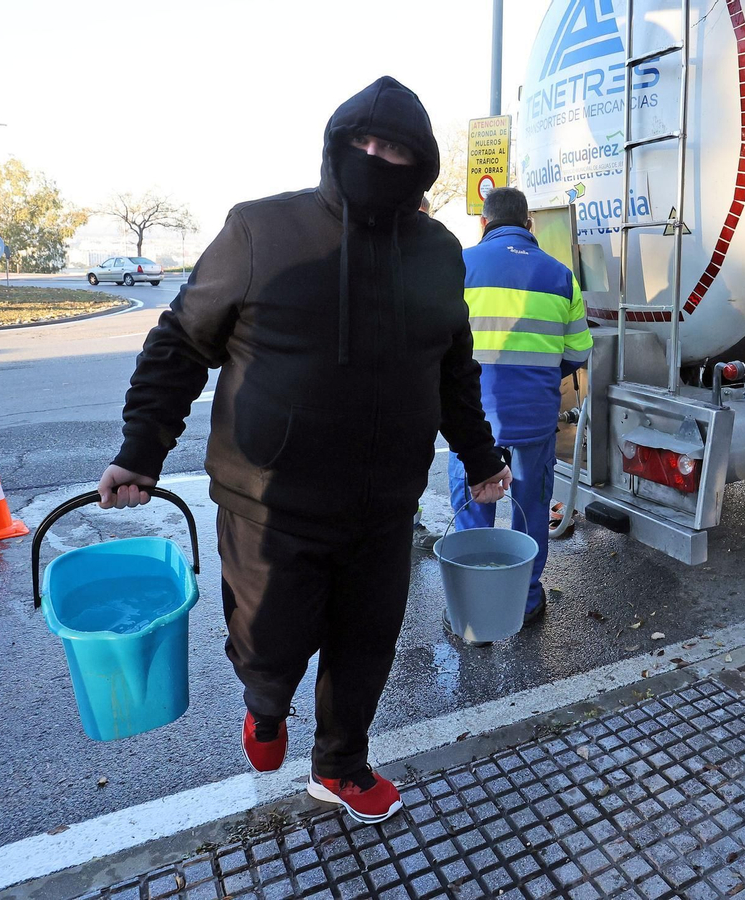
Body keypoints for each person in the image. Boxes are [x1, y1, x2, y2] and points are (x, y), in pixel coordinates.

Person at [96, 76, 511, 825]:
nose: (379, 156)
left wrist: (480, 459)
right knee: (269, 644)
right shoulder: (261, 231)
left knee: (367, 647)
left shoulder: (439, 252)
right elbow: (181, 342)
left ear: (423, 165)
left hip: (385, 505)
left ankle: (340, 765)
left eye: (398, 149)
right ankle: (264, 704)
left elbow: (455, 367)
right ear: (337, 142)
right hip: (269, 504)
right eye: (366, 142)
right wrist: (141, 450)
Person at [442, 186, 591, 630]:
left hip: (471, 419)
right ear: (530, 226)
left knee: (473, 509)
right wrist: (539, 372)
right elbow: (578, 353)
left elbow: (439, 346)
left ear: (484, 224)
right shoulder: (561, 276)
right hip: (534, 417)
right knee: (530, 504)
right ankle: (525, 601)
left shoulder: (458, 267)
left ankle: (472, 608)